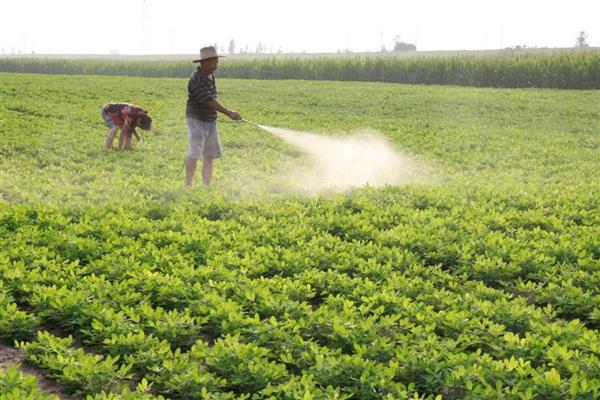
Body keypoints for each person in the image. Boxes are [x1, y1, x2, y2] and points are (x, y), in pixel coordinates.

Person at [185, 46, 242, 186]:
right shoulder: (197, 79)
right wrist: (229, 112)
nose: (216, 65)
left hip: (210, 121)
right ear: (204, 62)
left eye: (217, 61)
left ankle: (206, 186)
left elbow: (212, 98)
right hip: (196, 120)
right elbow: (209, 100)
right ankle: (188, 185)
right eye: (214, 62)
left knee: (209, 154)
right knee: (194, 152)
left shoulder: (210, 75)